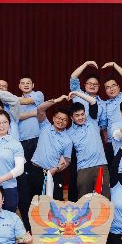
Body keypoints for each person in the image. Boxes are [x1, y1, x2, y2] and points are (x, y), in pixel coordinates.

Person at [26, 96, 73, 225]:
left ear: (68, 122)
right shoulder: (45, 126)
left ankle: (52, 231)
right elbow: (40, 109)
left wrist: (56, 169)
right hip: (35, 170)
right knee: (33, 204)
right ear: (53, 118)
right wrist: (57, 100)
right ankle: (32, 231)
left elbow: (67, 161)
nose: (61, 121)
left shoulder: (67, 140)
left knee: (54, 206)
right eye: (58, 118)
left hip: (52, 174)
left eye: (64, 119)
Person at [68, 91, 111, 198]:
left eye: (82, 114)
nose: (81, 117)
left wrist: (77, 93)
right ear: (71, 118)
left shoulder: (92, 121)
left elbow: (93, 102)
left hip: (101, 166)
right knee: (84, 202)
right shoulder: (68, 133)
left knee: (104, 201)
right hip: (83, 169)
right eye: (77, 115)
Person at [16, 75, 45, 217]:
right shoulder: (16, 101)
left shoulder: (38, 94)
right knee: (23, 176)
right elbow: (17, 117)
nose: (26, 85)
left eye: (28, 83)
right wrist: (34, 112)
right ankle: (26, 211)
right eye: (23, 83)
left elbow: (27, 101)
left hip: (36, 140)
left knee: (37, 174)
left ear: (33, 85)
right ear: (19, 86)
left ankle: (39, 210)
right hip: (21, 142)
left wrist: (11, 99)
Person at [101, 61, 122, 166]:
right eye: (107, 87)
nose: (111, 89)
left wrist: (114, 65)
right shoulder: (105, 105)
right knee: (113, 170)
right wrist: (107, 141)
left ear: (119, 87)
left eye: (113, 85)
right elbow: (104, 126)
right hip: (112, 142)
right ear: (105, 91)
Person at [70, 61, 107, 131]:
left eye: (95, 84)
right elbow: (73, 77)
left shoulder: (103, 104)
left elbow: (103, 124)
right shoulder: (78, 94)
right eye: (89, 83)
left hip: (93, 134)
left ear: (99, 86)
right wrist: (86, 64)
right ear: (85, 85)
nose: (92, 86)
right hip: (76, 133)